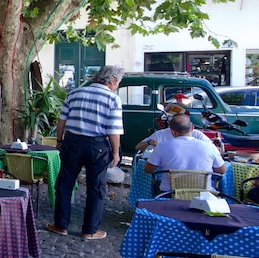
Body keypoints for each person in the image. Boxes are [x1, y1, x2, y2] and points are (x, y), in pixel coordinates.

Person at [47, 65, 125, 241]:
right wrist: (115, 153)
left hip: (72, 142)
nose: (117, 85)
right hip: (97, 145)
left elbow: (62, 120)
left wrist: (59, 141)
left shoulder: (75, 93)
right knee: (96, 187)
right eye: (118, 82)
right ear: (112, 81)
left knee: (64, 184)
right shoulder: (112, 99)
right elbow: (113, 129)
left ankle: (60, 225)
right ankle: (89, 230)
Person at [143, 114, 226, 192]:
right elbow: (222, 170)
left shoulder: (162, 146)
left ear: (173, 131)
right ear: (192, 128)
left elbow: (148, 169)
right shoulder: (209, 146)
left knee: (155, 184)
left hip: (169, 194)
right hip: (203, 195)